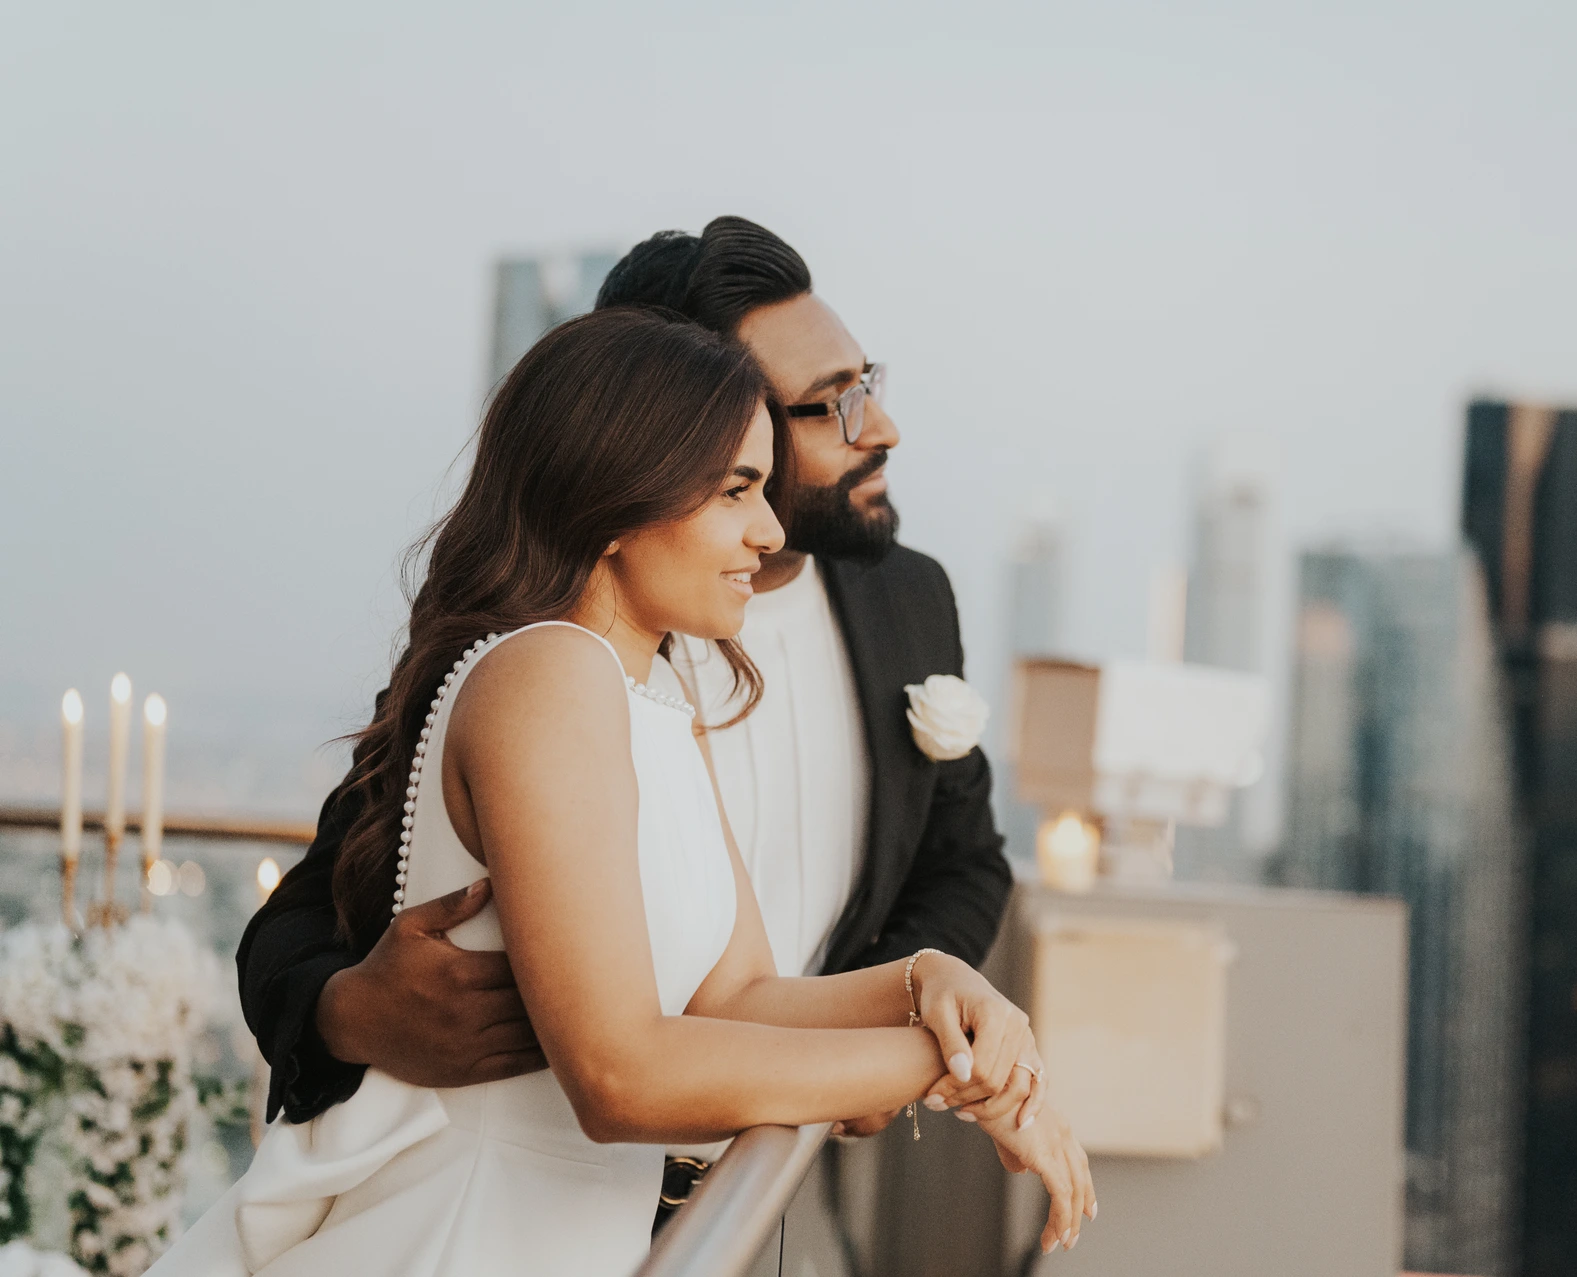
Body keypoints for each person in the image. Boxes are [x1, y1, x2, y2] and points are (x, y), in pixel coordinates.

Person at [151, 310, 1092, 1276]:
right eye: (738, 491)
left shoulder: (652, 697)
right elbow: (617, 1074)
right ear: (618, 497)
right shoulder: (546, 675)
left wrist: (927, 983)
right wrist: (950, 1068)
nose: (768, 532)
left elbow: (739, 994)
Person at [238, 218, 1016, 1166]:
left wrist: (898, 1012)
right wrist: (350, 1009)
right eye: (828, 405)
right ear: (657, 432)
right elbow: (316, 907)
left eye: (868, 386)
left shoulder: (911, 599)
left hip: (774, 1164)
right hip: (542, 1174)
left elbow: (962, 860)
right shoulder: (544, 656)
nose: (880, 428)